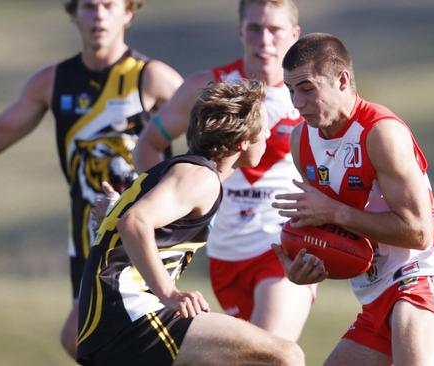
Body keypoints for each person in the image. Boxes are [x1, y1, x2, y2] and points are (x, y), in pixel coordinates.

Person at [0, 0, 183, 358]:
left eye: (109, 5)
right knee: (85, 339)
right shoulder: (52, 82)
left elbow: (211, 128)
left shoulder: (151, 77)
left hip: (141, 229)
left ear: (129, 12)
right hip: (85, 231)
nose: (98, 15)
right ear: (73, 13)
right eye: (89, 6)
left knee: (88, 334)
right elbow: (1, 134)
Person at [272, 33, 434, 366]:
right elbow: (331, 234)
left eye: (307, 89)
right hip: (375, 295)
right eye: (291, 90)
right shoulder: (300, 141)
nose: (297, 102)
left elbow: (419, 232)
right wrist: (304, 263)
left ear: (342, 80)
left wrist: (334, 212)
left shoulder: (380, 133)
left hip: (421, 277)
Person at [76, 80, 305, 366]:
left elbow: (132, 218)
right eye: (264, 128)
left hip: (111, 323)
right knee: (284, 356)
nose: (269, 134)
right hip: (128, 317)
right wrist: (168, 293)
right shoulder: (200, 177)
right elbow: (134, 222)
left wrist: (113, 211)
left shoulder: (185, 171)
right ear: (242, 140)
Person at [133, 0, 313, 341]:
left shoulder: (311, 95)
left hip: (283, 245)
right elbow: (148, 144)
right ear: (240, 32)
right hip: (224, 251)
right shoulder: (208, 89)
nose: (265, 40)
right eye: (255, 29)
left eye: (275, 29)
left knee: (270, 353)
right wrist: (170, 210)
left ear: (294, 34)